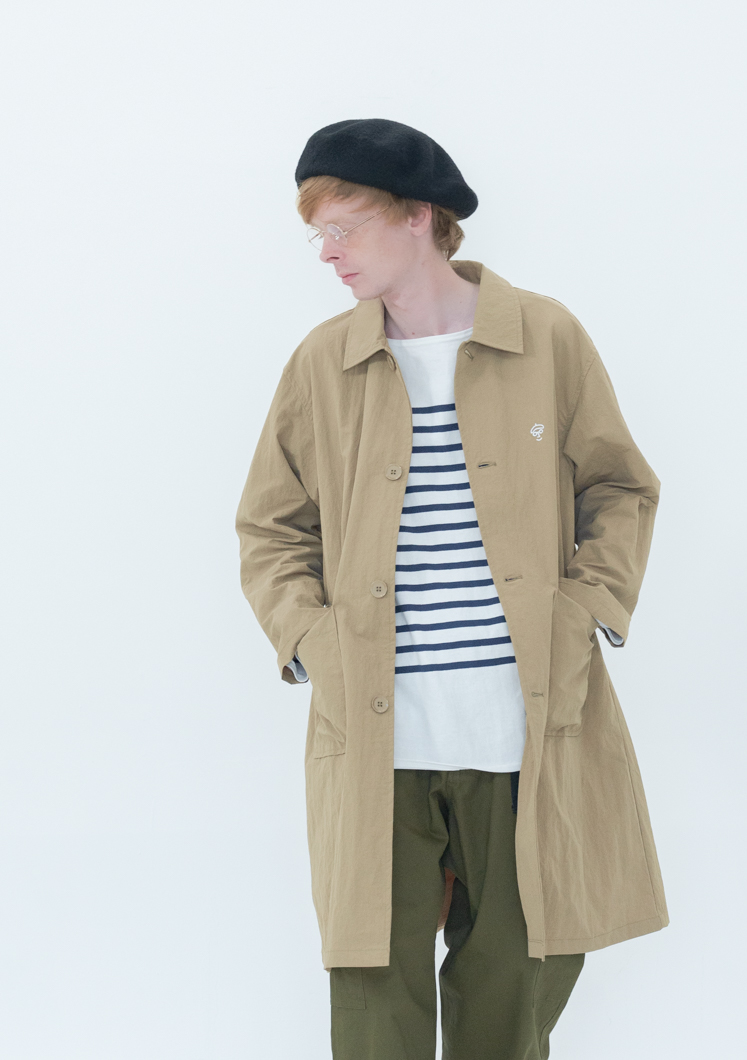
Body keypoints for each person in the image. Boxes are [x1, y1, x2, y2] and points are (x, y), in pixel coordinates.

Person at [235, 118, 669, 1060]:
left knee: (515, 986)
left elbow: (619, 488)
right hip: (375, 735)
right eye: (317, 234)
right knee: (373, 1006)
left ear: (418, 216)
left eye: (343, 226)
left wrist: (585, 611)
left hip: (524, 726)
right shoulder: (322, 362)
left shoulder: (543, 336)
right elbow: (270, 527)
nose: (327, 252)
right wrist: (310, 642)